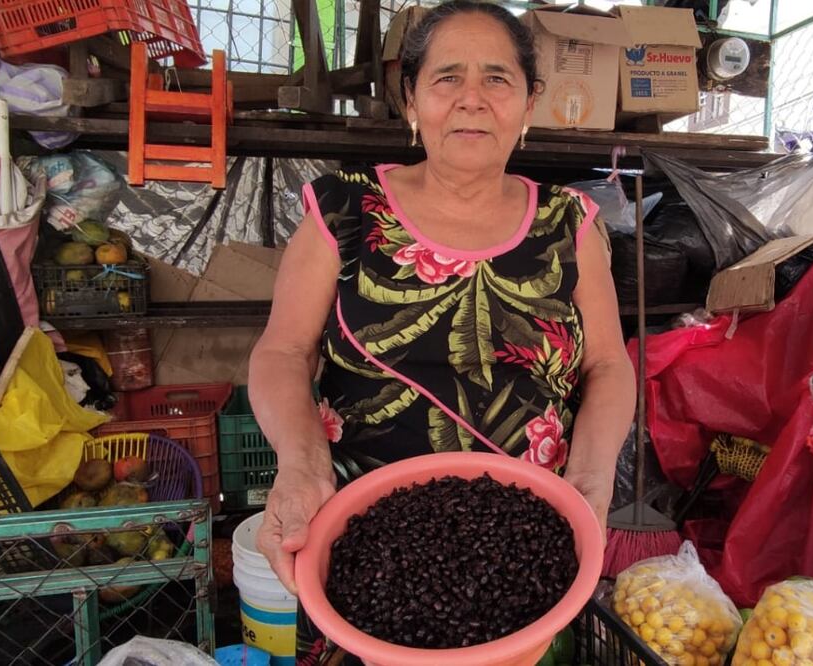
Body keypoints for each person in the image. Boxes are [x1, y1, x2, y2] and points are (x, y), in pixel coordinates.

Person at [248, 0, 636, 598]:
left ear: (530, 102)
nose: (472, 98)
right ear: (412, 99)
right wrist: (300, 466)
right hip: (363, 541)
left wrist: (589, 479)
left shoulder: (569, 225)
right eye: (447, 77)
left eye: (497, 78)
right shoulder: (343, 211)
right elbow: (282, 353)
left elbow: (608, 365)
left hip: (527, 546)